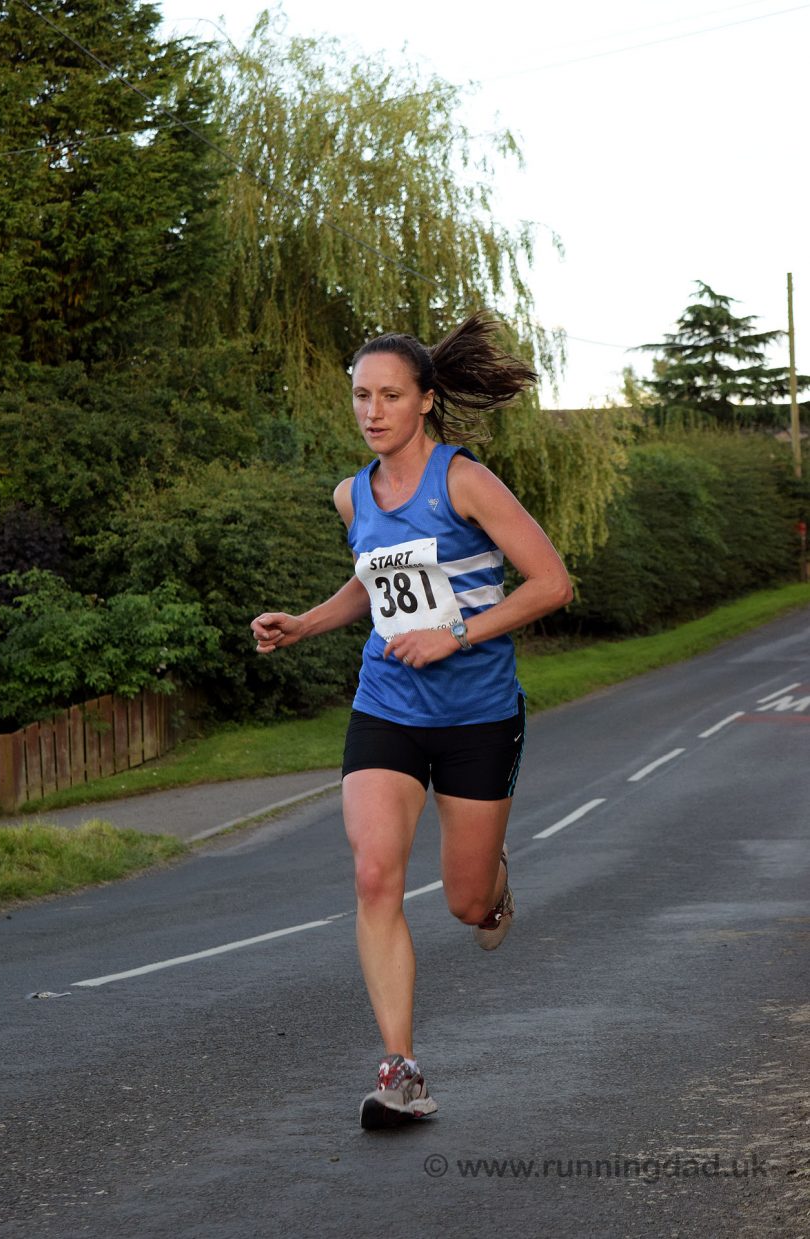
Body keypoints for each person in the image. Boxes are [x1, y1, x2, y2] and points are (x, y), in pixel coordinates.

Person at [251, 310, 573, 1130]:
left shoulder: (465, 481)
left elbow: (549, 582)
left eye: (390, 394)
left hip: (476, 712)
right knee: (373, 873)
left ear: (426, 400)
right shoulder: (350, 494)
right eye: (361, 395)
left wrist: (456, 633)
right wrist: (306, 622)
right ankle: (400, 1069)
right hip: (387, 705)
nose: (372, 410)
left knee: (464, 903)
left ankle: (493, 887)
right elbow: (371, 582)